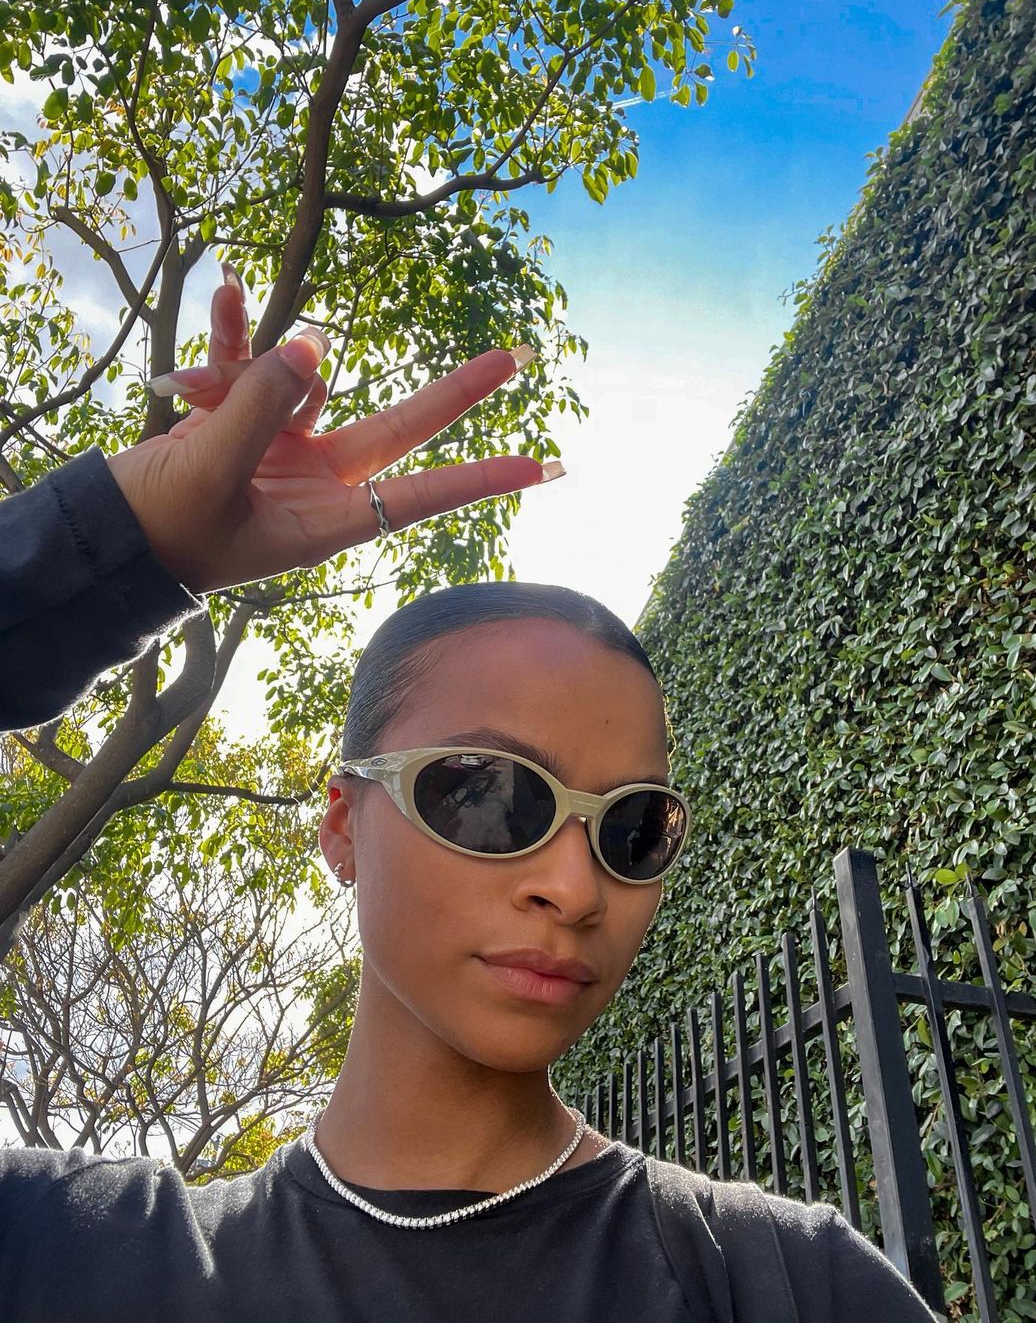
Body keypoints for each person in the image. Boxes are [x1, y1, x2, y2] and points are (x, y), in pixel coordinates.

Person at [0, 271, 936, 1320]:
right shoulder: (79, 1258)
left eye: (633, 829)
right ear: (343, 826)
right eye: (491, 795)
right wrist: (121, 542)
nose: (574, 889)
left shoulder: (789, 1281)